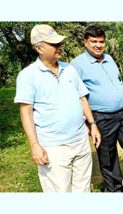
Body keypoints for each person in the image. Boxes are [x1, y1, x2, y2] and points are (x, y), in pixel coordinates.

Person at [14, 24, 101, 192]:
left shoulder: (69, 69)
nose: (60, 47)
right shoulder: (28, 75)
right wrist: (34, 145)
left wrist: (93, 124)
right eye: (54, 44)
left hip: (80, 140)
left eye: (60, 43)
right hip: (53, 147)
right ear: (39, 48)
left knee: (83, 189)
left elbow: (82, 98)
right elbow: (26, 112)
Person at [71, 25, 123, 192]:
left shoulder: (109, 58)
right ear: (85, 42)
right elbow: (76, 96)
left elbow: (118, 81)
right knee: (107, 156)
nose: (98, 45)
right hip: (102, 117)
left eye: (101, 41)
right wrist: (89, 122)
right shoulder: (77, 65)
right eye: (93, 41)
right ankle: (115, 190)